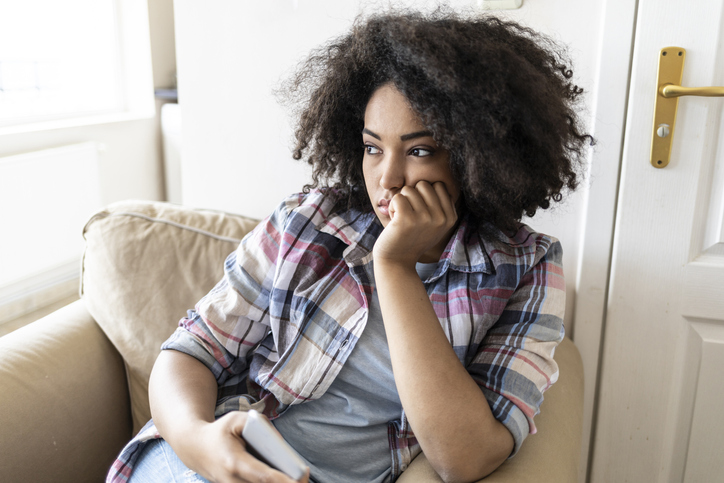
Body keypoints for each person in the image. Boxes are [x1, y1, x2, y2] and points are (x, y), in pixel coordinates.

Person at [108, 8, 591, 483]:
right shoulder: (311, 218)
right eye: (373, 147)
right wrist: (197, 440)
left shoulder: (525, 268)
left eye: (419, 150)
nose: (389, 178)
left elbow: (465, 458)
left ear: (476, 155)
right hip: (203, 456)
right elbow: (192, 349)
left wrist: (396, 266)